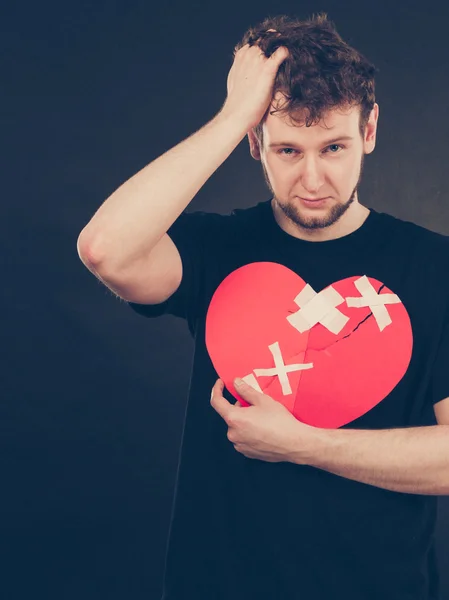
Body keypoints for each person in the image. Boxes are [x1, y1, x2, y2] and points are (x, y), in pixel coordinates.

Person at [77, 12, 449, 600]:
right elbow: (106, 250)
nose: (312, 178)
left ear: (370, 131)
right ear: (255, 143)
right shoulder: (217, 248)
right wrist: (232, 116)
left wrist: (303, 445)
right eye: (286, 149)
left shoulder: (435, 268)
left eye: (333, 147)